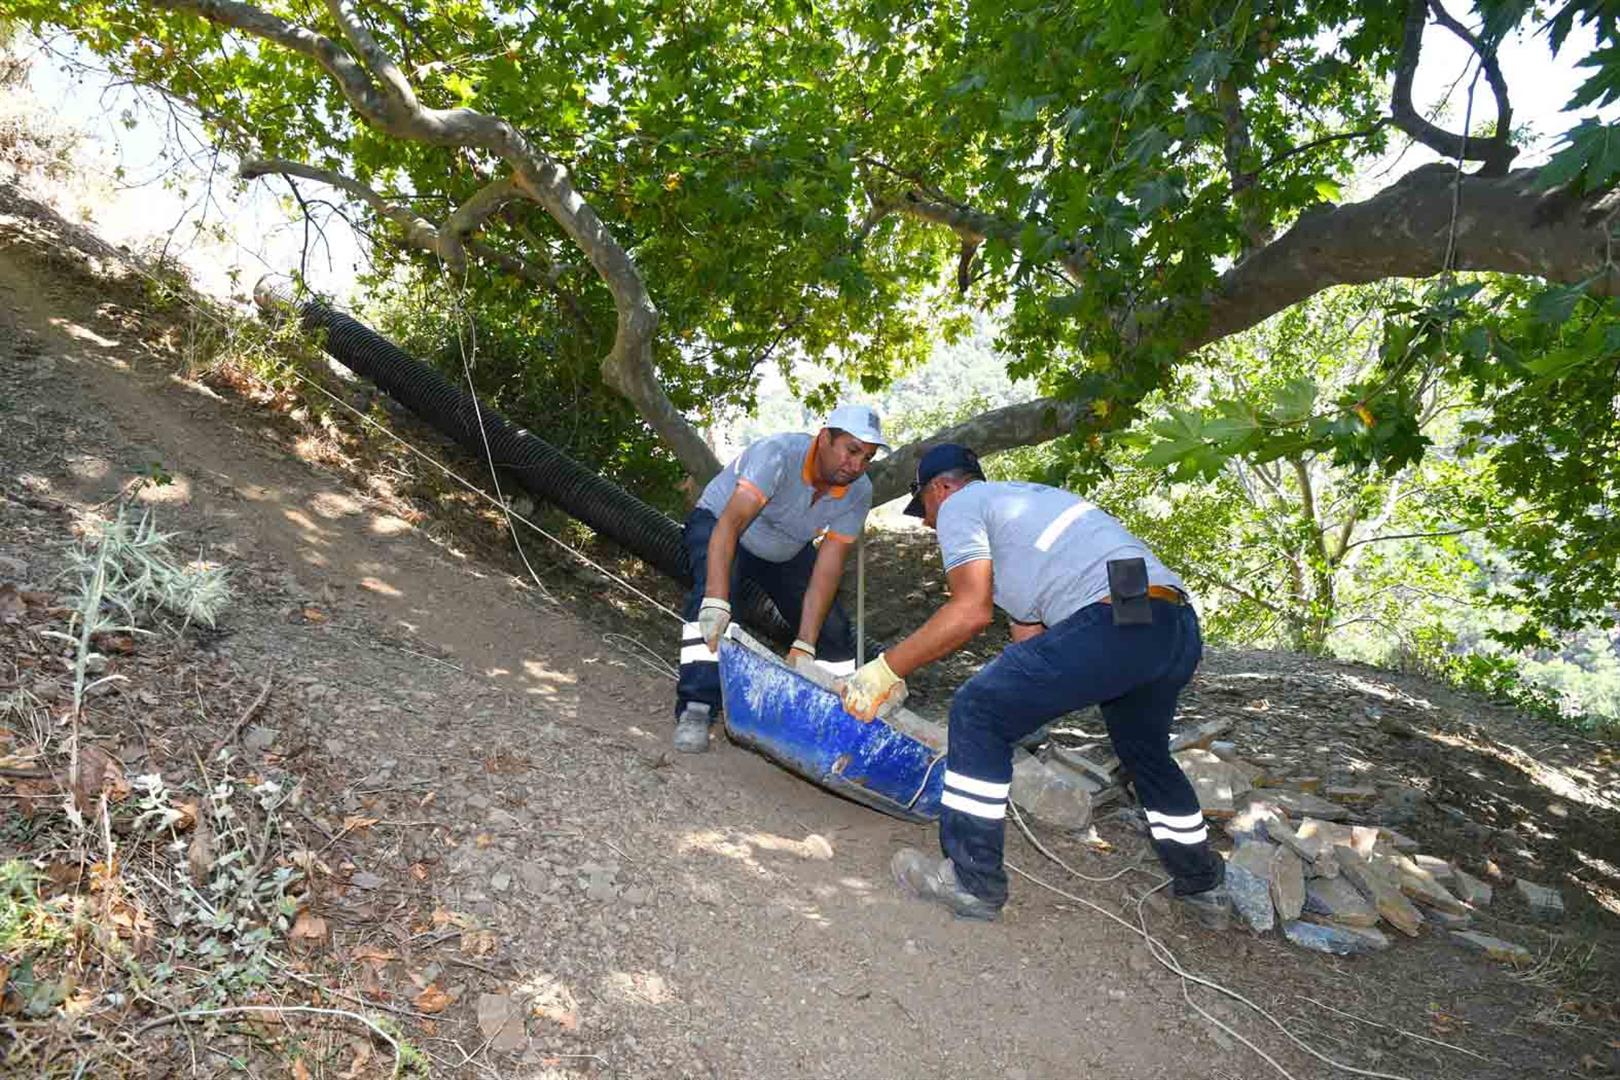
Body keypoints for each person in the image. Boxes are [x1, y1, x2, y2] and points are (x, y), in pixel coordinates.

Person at [839, 444, 1229, 927]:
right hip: (1170, 623)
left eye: (926, 510)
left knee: (977, 709)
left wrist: (886, 669)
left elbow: (969, 611)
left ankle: (971, 880)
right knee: (1144, 754)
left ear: (942, 488)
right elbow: (1030, 651)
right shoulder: (1030, 512)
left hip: (1113, 620)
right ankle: (1204, 885)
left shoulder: (963, 504)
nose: (928, 524)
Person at [674, 405, 887, 753]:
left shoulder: (858, 490)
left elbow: (829, 566)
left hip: (786, 549)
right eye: (851, 451)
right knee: (717, 601)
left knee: (833, 634)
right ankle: (696, 708)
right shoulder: (777, 455)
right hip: (723, 527)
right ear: (824, 439)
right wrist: (715, 596)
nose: (857, 466)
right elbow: (729, 525)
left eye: (867, 457)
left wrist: (805, 642)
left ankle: (827, 723)